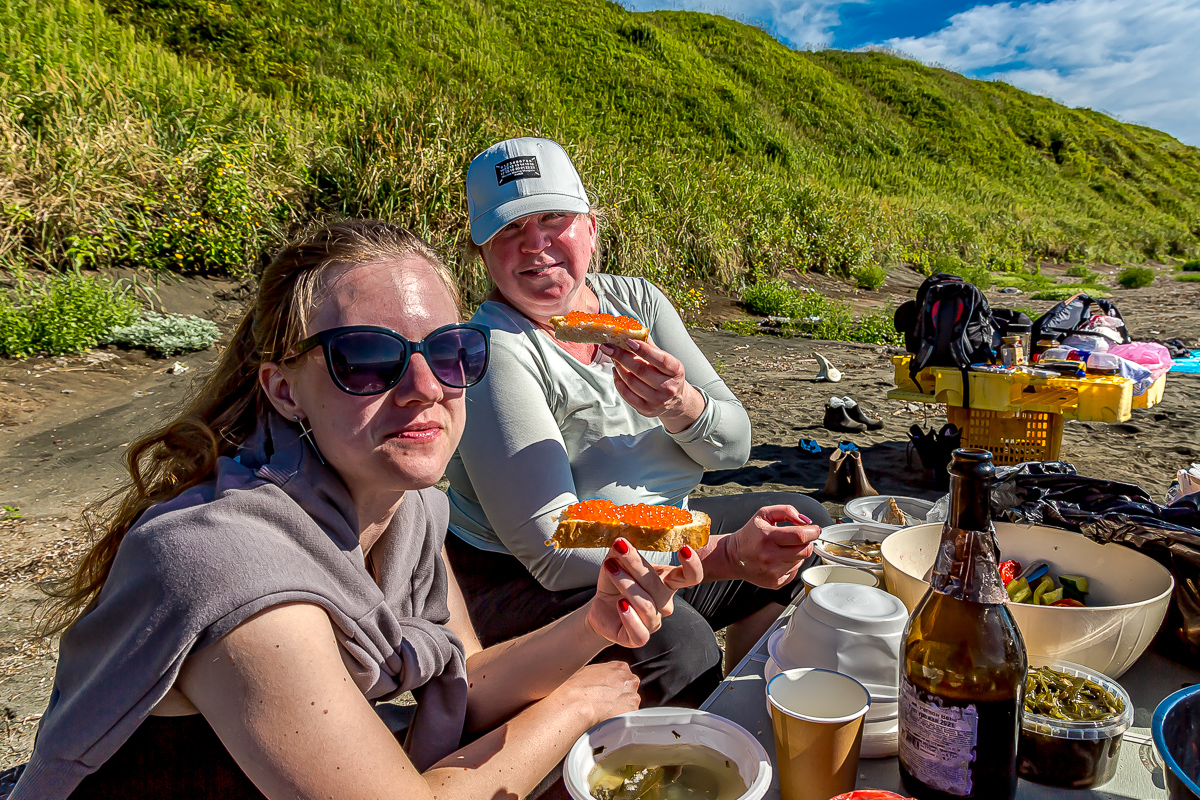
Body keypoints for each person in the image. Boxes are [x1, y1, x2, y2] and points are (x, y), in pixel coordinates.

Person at [11, 220, 702, 800]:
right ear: (284, 390)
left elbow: (466, 676)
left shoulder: (408, 512)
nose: (426, 386)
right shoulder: (229, 567)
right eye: (368, 360)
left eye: (451, 351)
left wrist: (592, 624)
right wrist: (575, 706)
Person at [445, 137, 834, 707]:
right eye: (508, 229)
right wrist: (722, 551)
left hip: (660, 532)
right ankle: (685, 743)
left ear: (592, 227)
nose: (536, 243)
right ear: (483, 254)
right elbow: (555, 542)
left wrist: (681, 405)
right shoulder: (491, 347)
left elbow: (734, 446)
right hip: (516, 577)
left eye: (554, 217)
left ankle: (738, 704)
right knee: (680, 644)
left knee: (803, 529)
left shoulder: (638, 305)